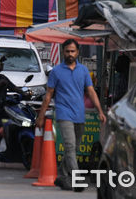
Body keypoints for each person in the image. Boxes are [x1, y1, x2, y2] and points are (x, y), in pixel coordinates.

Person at [36, 39, 106, 191]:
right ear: (63, 52)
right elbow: (48, 95)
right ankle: (77, 179)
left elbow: (91, 91)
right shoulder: (56, 71)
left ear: (78, 52)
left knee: (73, 149)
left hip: (79, 114)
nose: (70, 54)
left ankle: (61, 176)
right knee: (69, 146)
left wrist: (100, 111)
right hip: (63, 113)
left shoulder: (83, 71)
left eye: (72, 51)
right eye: (67, 51)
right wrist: (41, 116)